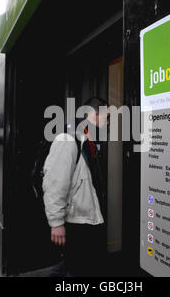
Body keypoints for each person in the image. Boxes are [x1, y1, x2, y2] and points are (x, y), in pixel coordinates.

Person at [43, 97, 109, 277]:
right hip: (75, 221)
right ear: (94, 114)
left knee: (78, 267)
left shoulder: (87, 137)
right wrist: (56, 223)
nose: (108, 122)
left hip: (85, 218)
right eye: (107, 117)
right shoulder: (68, 138)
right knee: (75, 270)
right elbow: (55, 182)